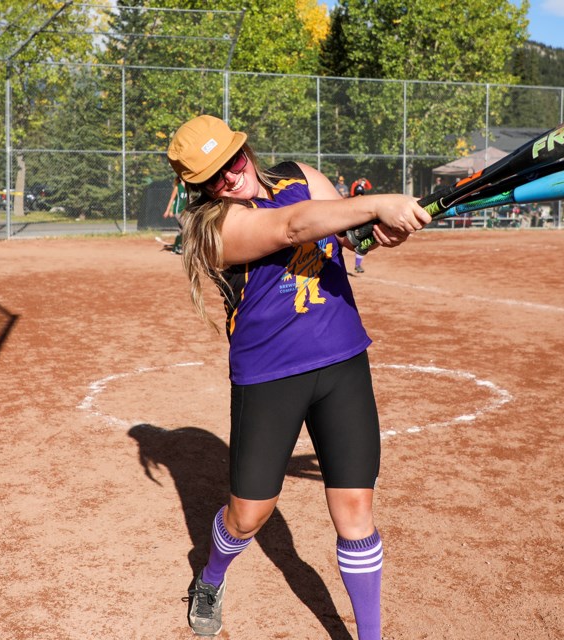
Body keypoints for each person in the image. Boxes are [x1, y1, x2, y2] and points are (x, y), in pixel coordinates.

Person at [166, 115, 430, 639]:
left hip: (342, 360)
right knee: (248, 516)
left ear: (246, 151)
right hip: (270, 376)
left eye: (232, 163)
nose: (228, 179)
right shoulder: (216, 228)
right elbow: (294, 226)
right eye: (210, 178)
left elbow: (351, 238)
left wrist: (381, 233)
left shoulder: (301, 176)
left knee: (355, 511)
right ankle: (211, 576)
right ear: (197, 189)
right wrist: (378, 201)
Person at [162, 175, 190, 254]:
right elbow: (172, 199)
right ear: (180, 178)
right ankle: (185, 248)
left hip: (185, 212)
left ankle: (175, 249)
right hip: (178, 211)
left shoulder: (188, 188)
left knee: (181, 231)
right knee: (187, 227)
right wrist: (168, 211)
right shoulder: (177, 187)